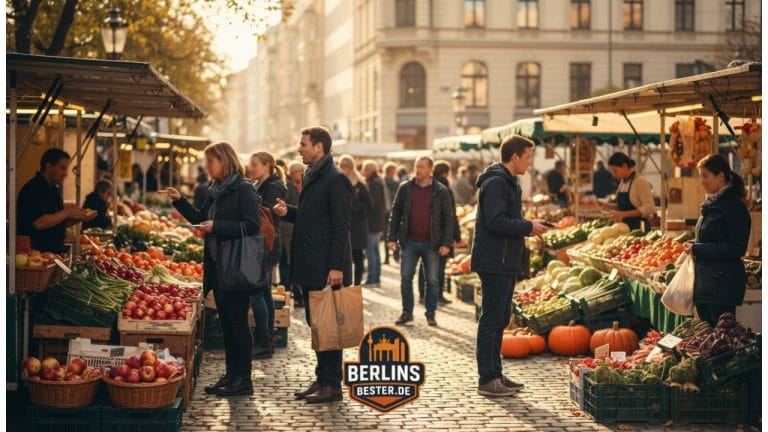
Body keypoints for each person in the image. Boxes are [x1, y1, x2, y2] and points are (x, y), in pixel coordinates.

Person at [167, 142, 261, 397]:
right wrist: (180, 202)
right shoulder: (216, 190)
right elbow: (201, 218)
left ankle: (243, 379)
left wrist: (217, 226)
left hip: (237, 267)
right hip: (218, 267)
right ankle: (232, 375)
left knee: (238, 323)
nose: (207, 166)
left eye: (211, 161)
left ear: (225, 160)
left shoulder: (244, 190)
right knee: (227, 324)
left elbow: (253, 226)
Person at [273, 126, 352, 404]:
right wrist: (290, 212)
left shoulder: (335, 178)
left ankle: (332, 384)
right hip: (309, 262)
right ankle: (322, 378)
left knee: (328, 325)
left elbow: (341, 226)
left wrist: (337, 267)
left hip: (325, 267)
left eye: (303, 144)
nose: (299, 148)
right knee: (315, 323)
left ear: (319, 147)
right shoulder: (311, 174)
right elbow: (312, 217)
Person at [472, 135, 551, 397]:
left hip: (504, 259)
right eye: (528, 157)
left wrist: (530, 223)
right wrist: (528, 227)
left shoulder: (507, 182)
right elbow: (496, 221)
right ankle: (487, 379)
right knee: (491, 320)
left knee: (500, 319)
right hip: (496, 260)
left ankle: (495, 373)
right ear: (515, 157)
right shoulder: (496, 183)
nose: (530, 162)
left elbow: (507, 219)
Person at [387, 156, 455, 327]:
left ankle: (430, 313)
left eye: (422, 167)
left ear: (430, 170)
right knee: (405, 278)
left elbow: (449, 218)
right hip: (409, 242)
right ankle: (407, 312)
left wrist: (446, 243)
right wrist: (391, 238)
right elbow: (395, 213)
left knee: (432, 280)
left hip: (432, 243)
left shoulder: (440, 191)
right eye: (417, 166)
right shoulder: (406, 188)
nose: (418, 170)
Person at [684, 154, 751, 326]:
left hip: (722, 287)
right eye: (700, 176)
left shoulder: (733, 206)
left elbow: (737, 248)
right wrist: (694, 246)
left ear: (720, 176)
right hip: (707, 284)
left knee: (721, 342)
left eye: (705, 176)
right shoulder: (712, 204)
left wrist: (697, 249)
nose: (702, 181)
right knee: (706, 340)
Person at [17, 148, 94, 253]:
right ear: (48, 167)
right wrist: (67, 212)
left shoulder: (53, 189)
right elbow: (39, 223)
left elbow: (58, 222)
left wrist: (80, 218)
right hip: (36, 256)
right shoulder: (34, 188)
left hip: (54, 254)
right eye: (62, 168)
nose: (66, 174)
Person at [249, 151, 287, 359]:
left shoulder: (271, 187)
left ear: (267, 166)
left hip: (266, 245)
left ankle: (264, 340)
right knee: (263, 291)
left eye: (255, 165)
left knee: (257, 291)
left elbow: (266, 217)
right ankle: (267, 338)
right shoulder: (263, 185)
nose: (251, 168)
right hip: (265, 244)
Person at [417, 160, 459, 305]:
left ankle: (423, 294)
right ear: (446, 173)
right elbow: (451, 215)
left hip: (424, 233)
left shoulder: (425, 185)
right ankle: (438, 295)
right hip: (440, 234)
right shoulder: (445, 188)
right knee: (439, 266)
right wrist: (455, 235)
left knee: (424, 265)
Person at [339, 155, 373, 286]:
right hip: (343, 226)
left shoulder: (360, 185)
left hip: (357, 226)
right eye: (341, 167)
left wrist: (352, 206)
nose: (343, 170)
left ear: (350, 168)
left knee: (358, 258)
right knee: (342, 258)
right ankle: (344, 285)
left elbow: (370, 204)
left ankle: (357, 284)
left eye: (345, 167)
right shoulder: (338, 182)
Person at [607, 152, 655, 232]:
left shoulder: (640, 181)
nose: (614, 175)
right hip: (625, 229)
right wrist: (605, 206)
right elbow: (622, 207)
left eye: (615, 171)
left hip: (640, 230)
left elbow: (649, 208)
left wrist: (622, 214)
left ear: (624, 166)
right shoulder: (622, 182)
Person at [281, 161, 304, 307]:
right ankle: (292, 292)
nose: (302, 174)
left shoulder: (299, 185)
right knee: (288, 263)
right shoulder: (289, 186)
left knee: (291, 262)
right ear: (293, 172)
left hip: (294, 229)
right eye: (300, 171)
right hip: (287, 230)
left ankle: (295, 292)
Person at [363, 160, 387, 287]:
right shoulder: (378, 181)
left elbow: (374, 204)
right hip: (377, 222)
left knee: (370, 251)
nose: (363, 172)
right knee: (375, 250)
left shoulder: (374, 183)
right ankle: (376, 277)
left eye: (365, 170)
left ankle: (372, 278)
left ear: (371, 170)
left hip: (372, 222)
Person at [383, 162, 400, 265]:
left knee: (392, 233)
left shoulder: (394, 181)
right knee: (388, 234)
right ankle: (389, 256)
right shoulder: (386, 181)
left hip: (392, 210)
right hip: (388, 210)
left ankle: (394, 255)